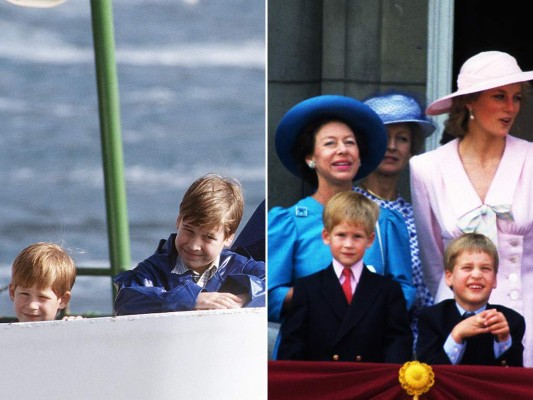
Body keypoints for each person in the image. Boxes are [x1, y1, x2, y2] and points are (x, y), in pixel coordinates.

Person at [410, 50, 533, 366]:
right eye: (499, 96)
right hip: (454, 317)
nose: (511, 107)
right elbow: (434, 261)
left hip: (526, 315)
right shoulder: (426, 167)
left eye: (517, 98)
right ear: (470, 102)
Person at [268, 95, 415, 329]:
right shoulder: (289, 222)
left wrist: (368, 303)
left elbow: (405, 290)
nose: (342, 150)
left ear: (359, 157)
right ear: (310, 158)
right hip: (307, 353)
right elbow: (268, 295)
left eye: (350, 142)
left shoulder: (384, 221)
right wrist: (323, 297)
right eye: (329, 143)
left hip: (369, 348)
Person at [277, 191, 413, 362]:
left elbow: (398, 347)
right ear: (326, 236)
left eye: (357, 236)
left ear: (370, 240)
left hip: (370, 383)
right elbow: (292, 351)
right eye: (341, 235)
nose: (348, 244)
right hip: (323, 384)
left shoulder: (389, 290)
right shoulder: (306, 289)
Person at [113, 173, 265, 315]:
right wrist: (192, 300)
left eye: (208, 237)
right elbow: (126, 300)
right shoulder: (151, 272)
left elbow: (275, 285)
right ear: (179, 221)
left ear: (228, 238)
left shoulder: (241, 266)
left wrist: (245, 299)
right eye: (189, 231)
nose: (194, 245)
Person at [355, 92, 436, 342]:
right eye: (384, 137)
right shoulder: (348, 207)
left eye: (401, 139)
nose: (391, 146)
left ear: (412, 148)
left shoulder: (417, 214)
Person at [417, 233, 525, 366]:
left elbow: (514, 378)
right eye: (467, 268)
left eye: (485, 268)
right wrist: (456, 336)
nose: (476, 274)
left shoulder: (511, 321)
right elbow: (426, 374)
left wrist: (504, 340)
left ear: (495, 280)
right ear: (449, 277)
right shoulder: (432, 318)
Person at [9, 242, 77, 322]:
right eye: (25, 294)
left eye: (42, 297)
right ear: (12, 292)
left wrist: (78, 329)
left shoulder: (67, 332)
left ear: (63, 300)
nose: (32, 306)